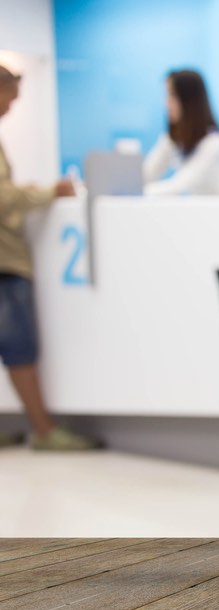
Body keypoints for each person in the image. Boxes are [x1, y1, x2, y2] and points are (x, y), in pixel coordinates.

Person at [0, 65, 100, 450]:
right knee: (19, 346)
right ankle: (43, 429)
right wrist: (46, 193)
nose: (15, 104)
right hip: (6, 262)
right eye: (12, 94)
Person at [143, 69, 219, 196]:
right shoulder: (171, 139)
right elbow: (147, 174)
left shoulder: (215, 142)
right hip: (199, 210)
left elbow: (180, 184)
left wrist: (139, 192)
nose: (167, 104)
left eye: (172, 95)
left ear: (188, 100)